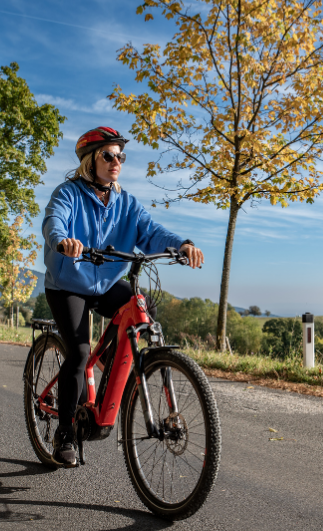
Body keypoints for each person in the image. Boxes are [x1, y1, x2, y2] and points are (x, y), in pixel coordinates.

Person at [41, 126, 204, 467]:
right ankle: (65, 432)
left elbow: (152, 231)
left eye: (120, 156)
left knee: (144, 307)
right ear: (90, 160)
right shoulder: (68, 193)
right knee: (78, 355)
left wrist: (182, 244)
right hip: (68, 283)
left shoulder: (125, 202)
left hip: (105, 283)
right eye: (108, 155)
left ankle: (116, 368)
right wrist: (62, 240)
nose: (116, 161)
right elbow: (54, 221)